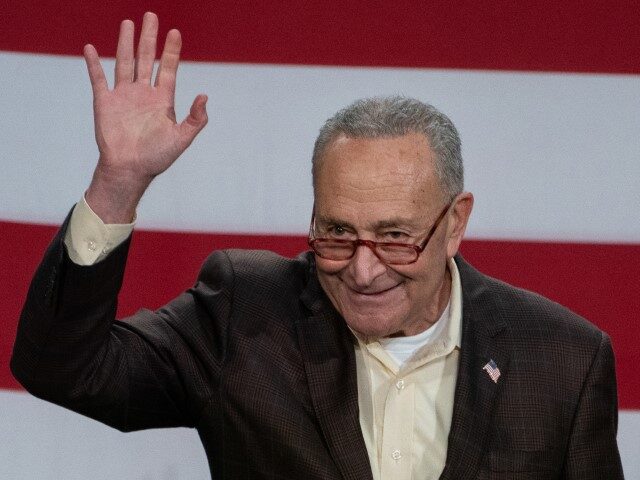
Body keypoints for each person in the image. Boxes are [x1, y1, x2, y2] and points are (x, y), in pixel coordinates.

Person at [11, 12, 624, 480]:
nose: (361, 269)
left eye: (394, 237)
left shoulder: (564, 360)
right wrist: (117, 187)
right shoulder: (246, 317)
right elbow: (64, 369)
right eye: (335, 233)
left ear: (456, 221)